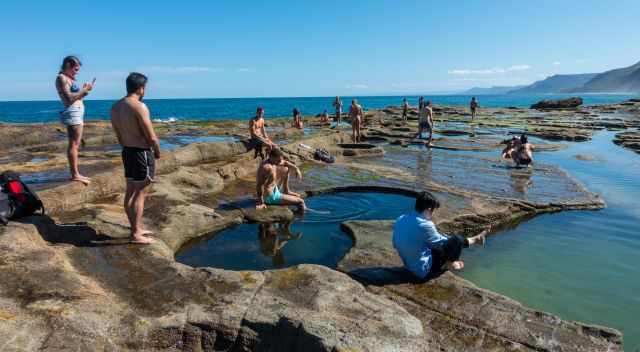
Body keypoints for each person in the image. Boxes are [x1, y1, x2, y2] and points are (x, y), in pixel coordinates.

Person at [393, 191, 491, 281]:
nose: (433, 214)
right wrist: (450, 239)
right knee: (456, 239)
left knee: (434, 242)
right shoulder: (426, 224)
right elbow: (442, 244)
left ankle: (476, 239)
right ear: (429, 209)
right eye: (433, 211)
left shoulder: (400, 219)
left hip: (409, 266)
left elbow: (395, 244)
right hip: (423, 272)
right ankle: (451, 263)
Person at [110, 72, 160, 245]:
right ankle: (135, 234)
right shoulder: (139, 106)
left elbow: (118, 135)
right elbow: (152, 137)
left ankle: (136, 229)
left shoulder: (115, 107)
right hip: (141, 153)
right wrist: (157, 151)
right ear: (141, 88)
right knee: (140, 193)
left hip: (127, 151)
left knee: (131, 190)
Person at [55, 56, 95, 185]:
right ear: (67, 65)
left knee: (76, 144)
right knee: (73, 145)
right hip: (72, 113)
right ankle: (75, 174)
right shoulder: (61, 78)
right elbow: (68, 99)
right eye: (75, 69)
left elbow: (76, 97)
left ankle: (76, 173)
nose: (76, 71)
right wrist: (84, 90)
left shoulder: (69, 78)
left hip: (77, 112)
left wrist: (85, 91)